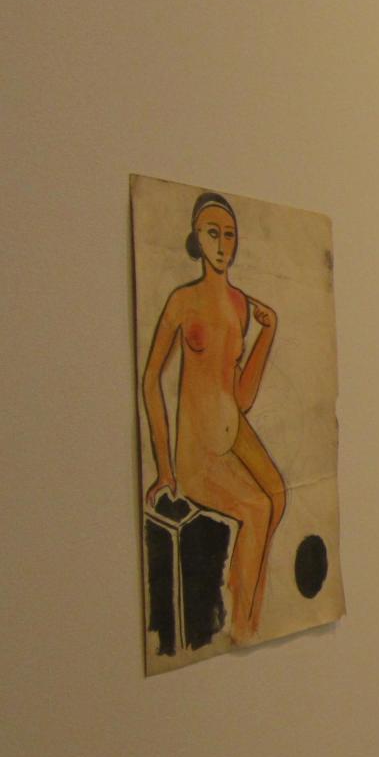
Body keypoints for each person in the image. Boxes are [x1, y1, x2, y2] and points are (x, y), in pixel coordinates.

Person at [141, 192, 285, 641]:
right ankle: (243, 627)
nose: (223, 245)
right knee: (258, 508)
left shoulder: (241, 305)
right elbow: (150, 380)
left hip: (232, 424)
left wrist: (267, 334)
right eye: (213, 234)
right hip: (198, 445)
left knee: (278, 496)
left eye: (229, 235)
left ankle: (248, 601)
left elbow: (241, 396)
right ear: (197, 239)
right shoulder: (182, 301)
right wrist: (165, 469)